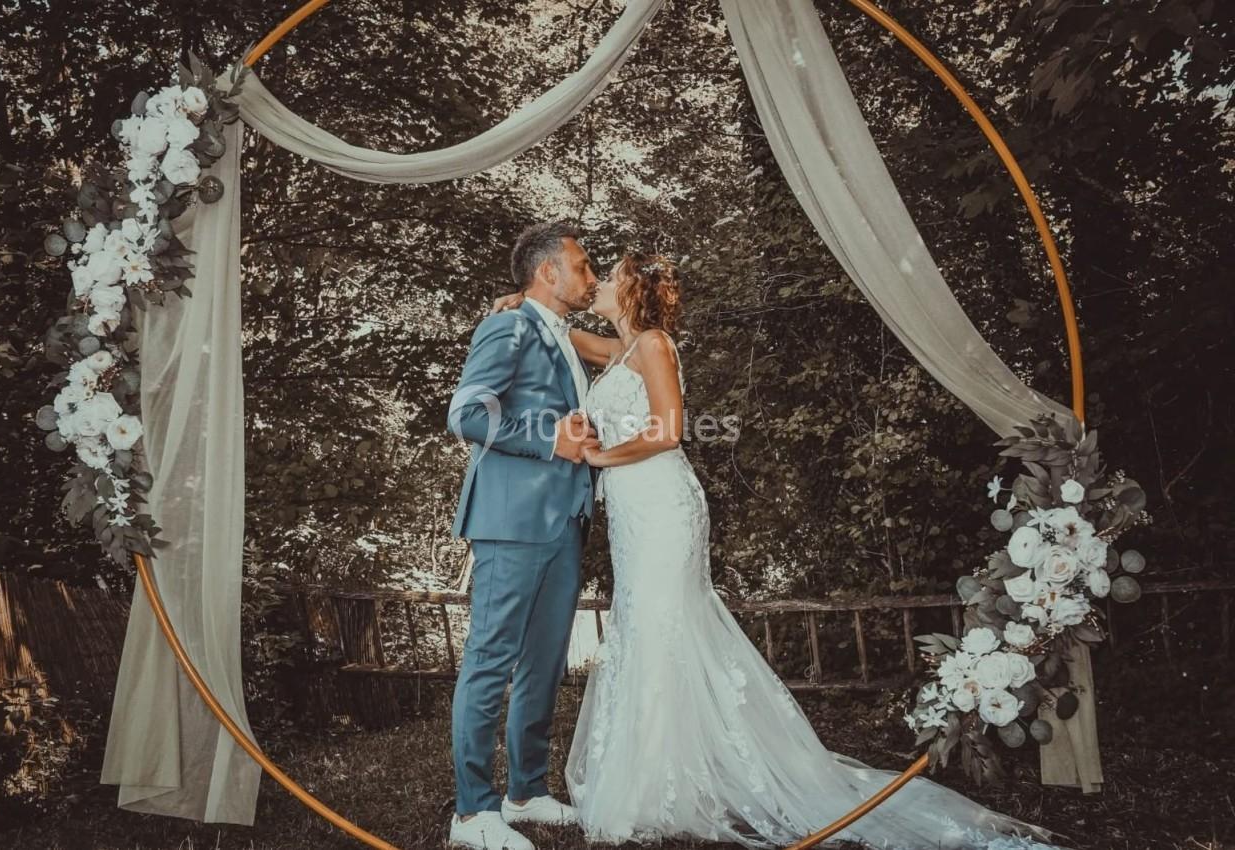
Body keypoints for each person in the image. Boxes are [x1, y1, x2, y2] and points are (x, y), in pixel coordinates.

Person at [487, 252, 1074, 850]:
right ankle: (659, 773)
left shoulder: (655, 345)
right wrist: (523, 304)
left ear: (631, 290)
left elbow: (668, 430)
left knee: (664, 624)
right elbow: (561, 331)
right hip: (633, 512)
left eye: (609, 276)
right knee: (643, 625)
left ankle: (658, 786)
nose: (598, 283)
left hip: (662, 505)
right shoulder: (620, 350)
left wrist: (598, 456)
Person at [444, 220, 605, 850]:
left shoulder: (563, 336)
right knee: (490, 659)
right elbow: (466, 413)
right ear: (547, 272)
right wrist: (548, 441)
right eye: (582, 265)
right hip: (511, 521)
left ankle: (526, 791)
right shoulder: (508, 326)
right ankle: (471, 813)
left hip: (566, 520)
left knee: (544, 661)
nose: (590, 276)